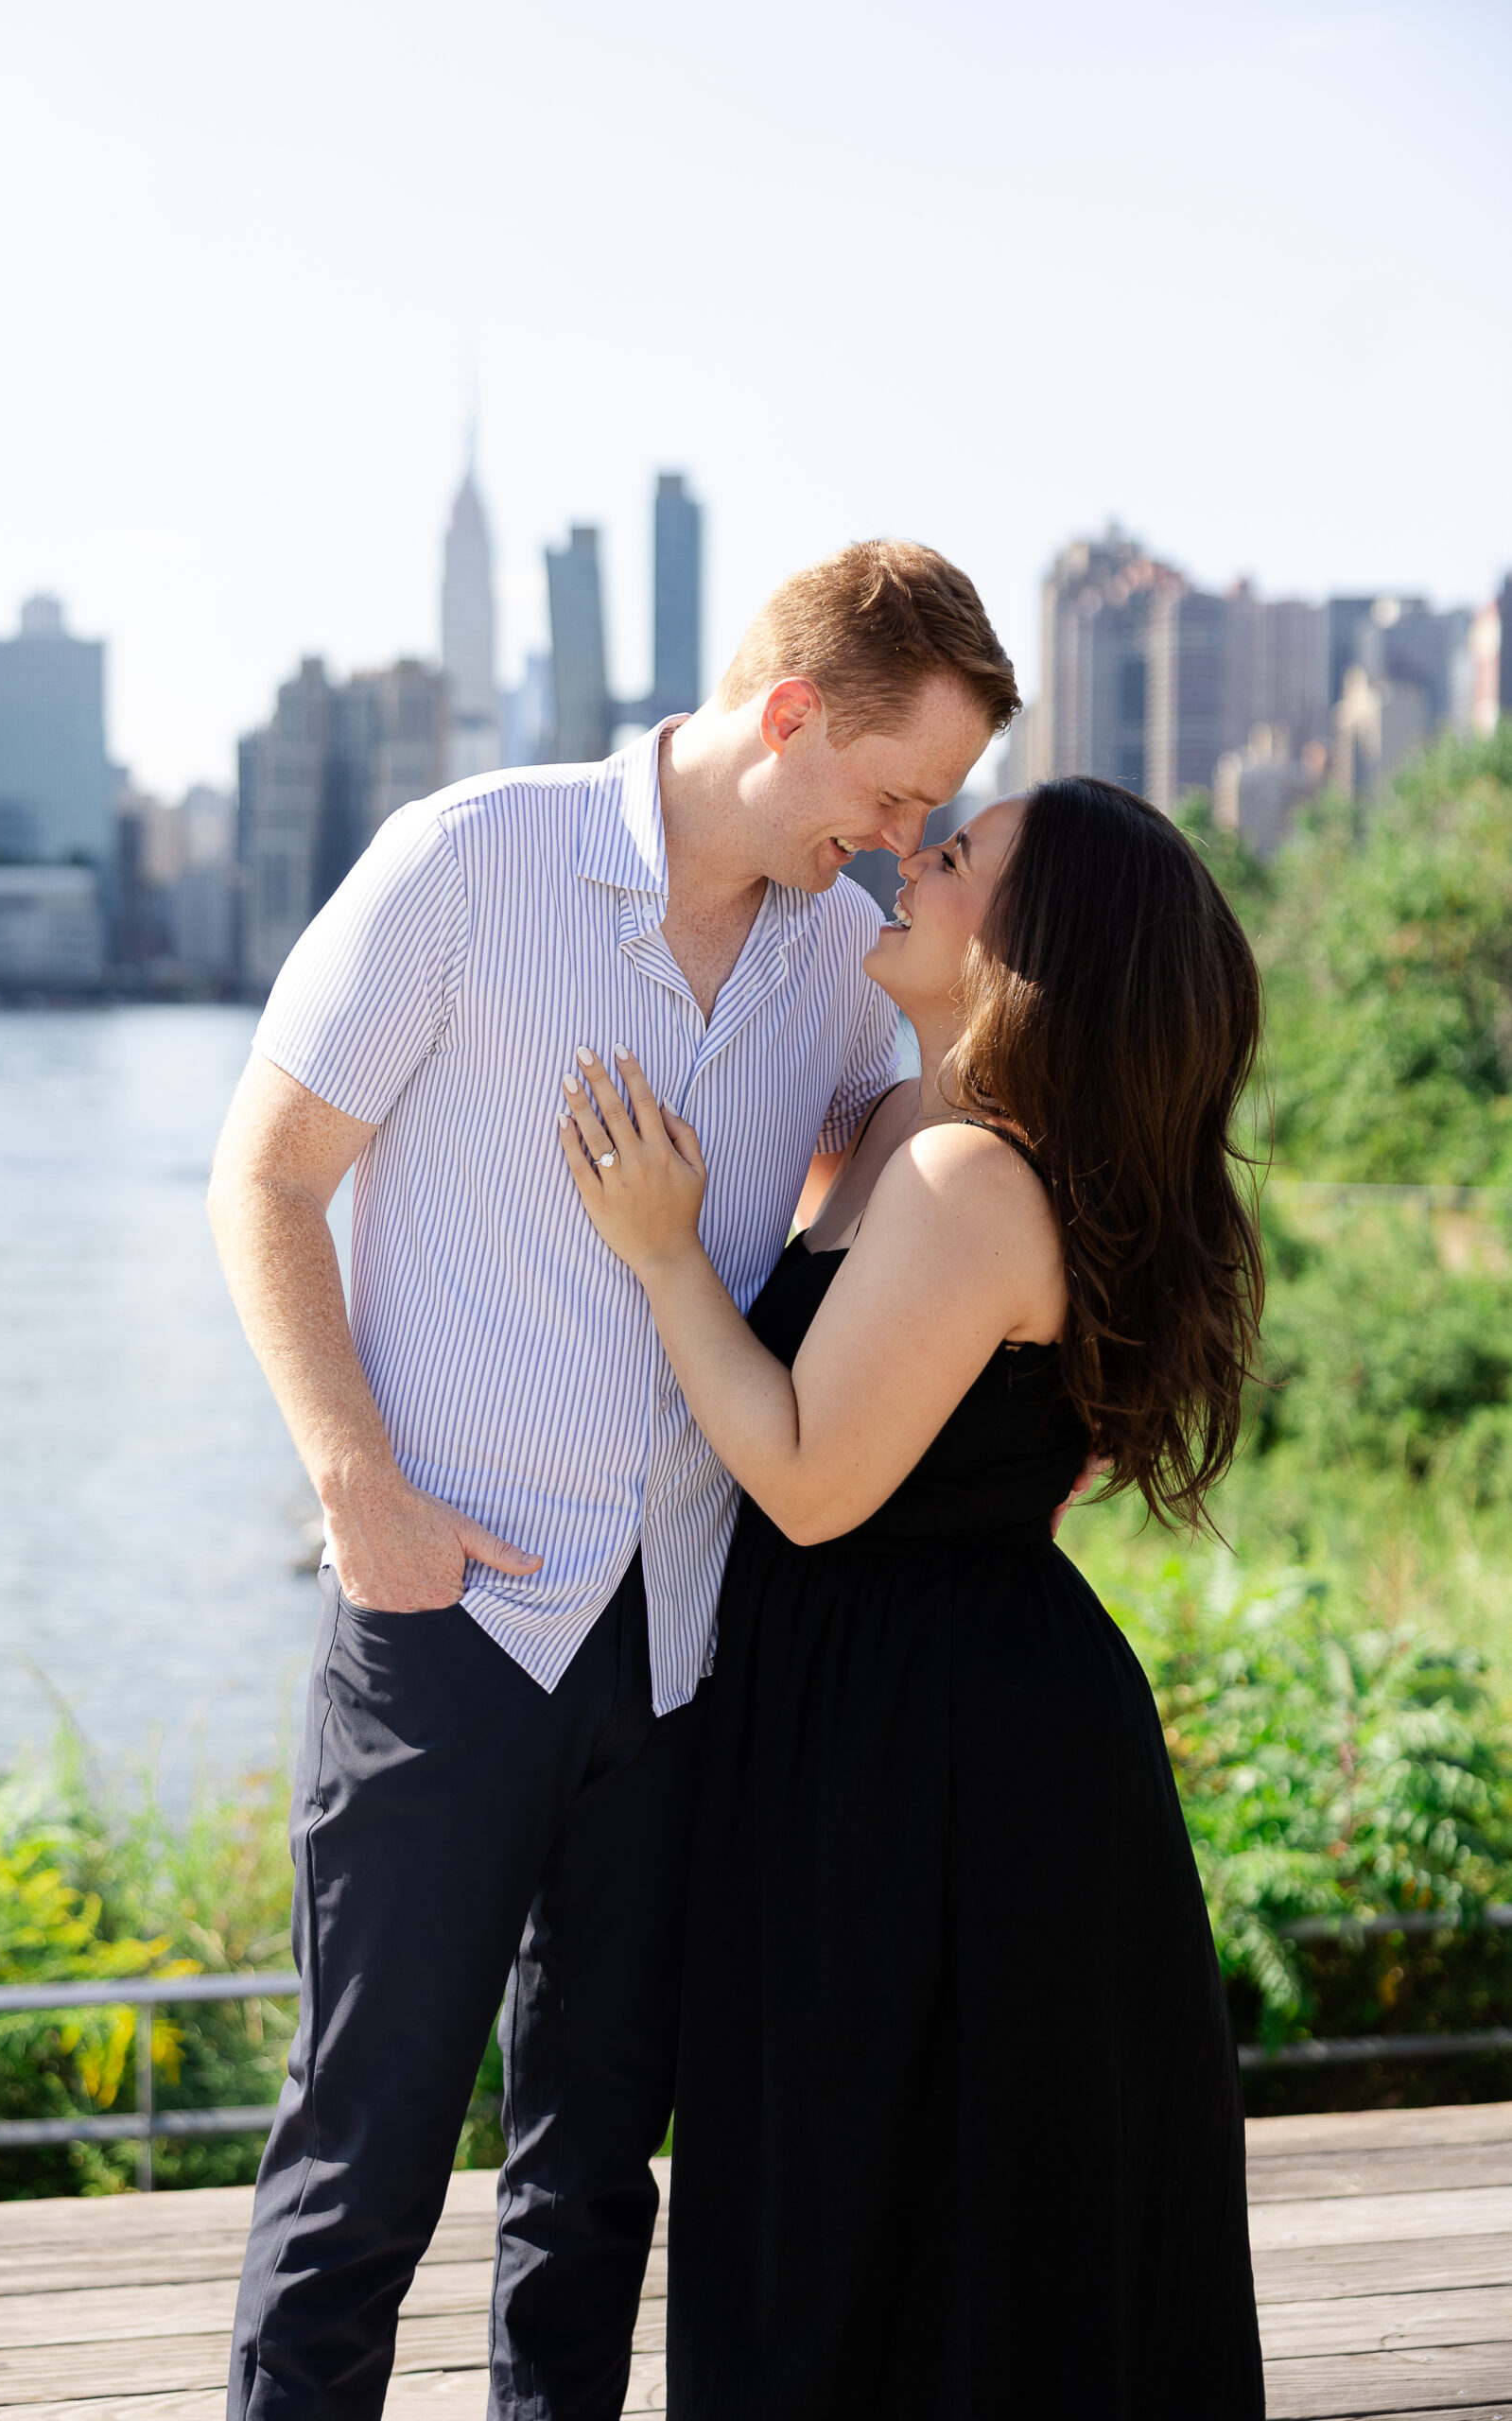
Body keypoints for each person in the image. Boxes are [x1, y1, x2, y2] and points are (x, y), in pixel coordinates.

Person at [207, 541, 1020, 2421]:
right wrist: (357, 1486)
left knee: (590, 2179)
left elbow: (903, 1187)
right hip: (451, 1620)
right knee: (365, 2158)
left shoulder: (834, 947)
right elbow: (263, 1178)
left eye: (937, 815)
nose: (906, 840)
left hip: (683, 1652)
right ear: (791, 714)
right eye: (894, 792)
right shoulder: (465, 858)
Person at [557, 775, 1269, 2419]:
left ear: (1030, 953)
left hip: (943, 1753)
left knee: (909, 2194)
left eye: (953, 860)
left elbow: (806, 1481)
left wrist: (663, 1253)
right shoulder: (901, 1130)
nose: (907, 858)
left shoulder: (972, 1180)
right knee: (872, 2184)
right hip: (880, 1716)